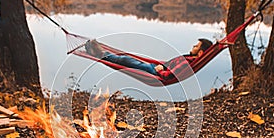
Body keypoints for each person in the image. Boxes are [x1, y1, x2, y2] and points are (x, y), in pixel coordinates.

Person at [85, 38, 213, 80]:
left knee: (126, 61)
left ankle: (100, 53)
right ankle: (101, 53)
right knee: (127, 59)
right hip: (157, 67)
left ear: (201, 52)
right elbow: (171, 65)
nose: (193, 46)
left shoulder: (188, 62)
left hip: (154, 72)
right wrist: (162, 65)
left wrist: (159, 70)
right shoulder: (189, 58)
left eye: (196, 46)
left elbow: (170, 75)